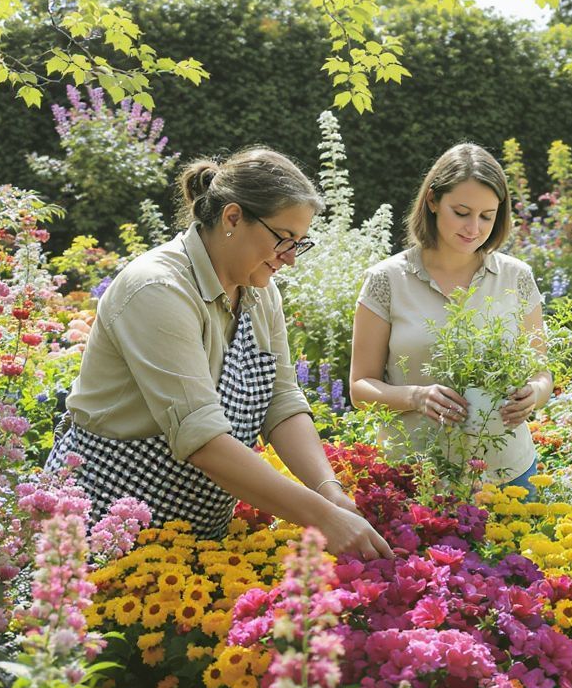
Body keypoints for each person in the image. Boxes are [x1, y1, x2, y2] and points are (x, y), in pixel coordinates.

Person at [46, 147, 392, 559]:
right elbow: (201, 437)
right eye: (283, 239)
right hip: (102, 526)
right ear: (232, 218)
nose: (290, 260)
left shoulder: (260, 291)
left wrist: (329, 492)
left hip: (193, 535)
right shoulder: (158, 289)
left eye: (300, 244)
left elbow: (281, 402)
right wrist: (323, 518)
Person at [350, 143, 552, 496]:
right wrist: (415, 397)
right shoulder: (387, 280)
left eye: (487, 216)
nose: (474, 228)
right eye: (462, 212)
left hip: (508, 475)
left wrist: (533, 394)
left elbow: (541, 371)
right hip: (415, 477)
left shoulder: (516, 277)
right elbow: (359, 388)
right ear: (432, 201)